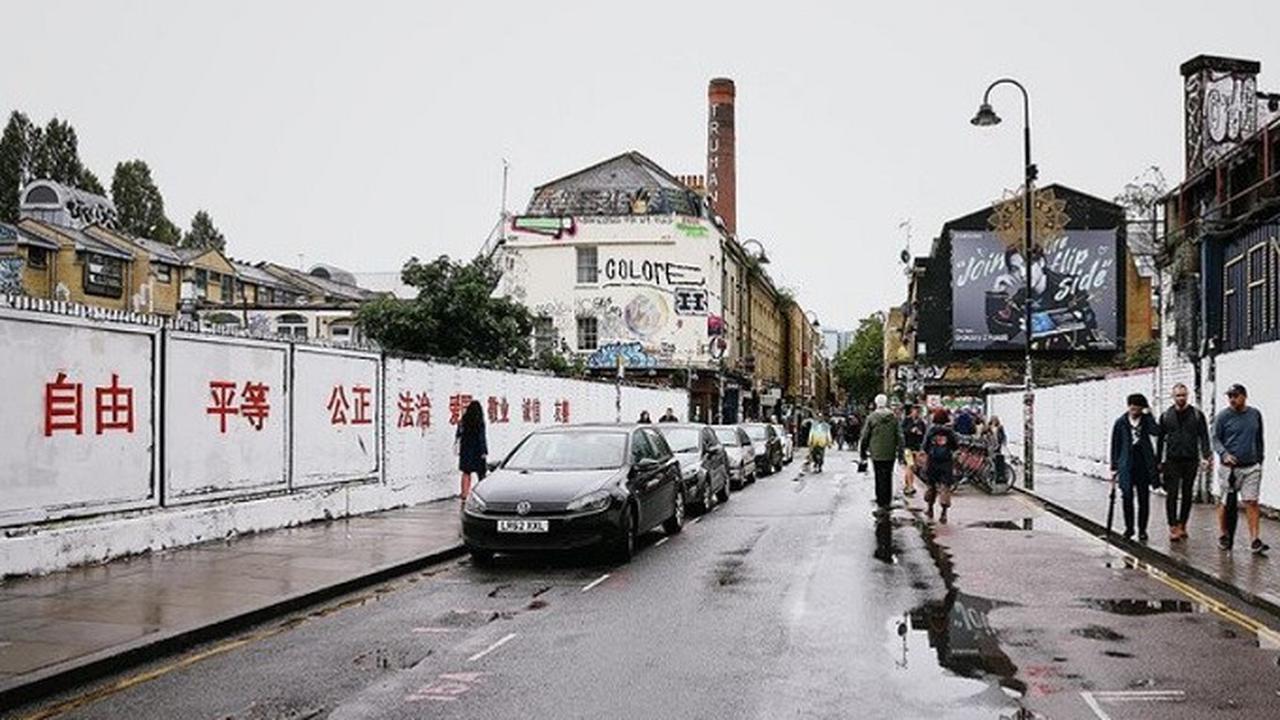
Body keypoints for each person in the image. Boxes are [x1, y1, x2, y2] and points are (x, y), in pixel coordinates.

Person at [1212, 384, 1269, 554]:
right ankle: (1224, 534)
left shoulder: (1255, 414)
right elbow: (1215, 439)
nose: (1232, 399)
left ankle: (1255, 540)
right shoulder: (1223, 416)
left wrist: (1260, 458)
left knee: (1251, 501)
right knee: (1226, 503)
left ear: (1244, 396)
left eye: (1235, 396)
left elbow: (1259, 437)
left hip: (1251, 467)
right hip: (1229, 468)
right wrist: (1224, 454)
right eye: (1230, 396)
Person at [1156, 383, 1212, 542]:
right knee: (1172, 494)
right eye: (1178, 395)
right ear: (1173, 397)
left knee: (1187, 494)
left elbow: (1204, 436)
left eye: (1183, 395)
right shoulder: (1166, 416)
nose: (1181, 398)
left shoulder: (1197, 415)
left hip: (1191, 459)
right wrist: (1158, 461)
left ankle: (1183, 524)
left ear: (1187, 395)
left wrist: (1206, 455)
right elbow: (1160, 440)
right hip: (1172, 460)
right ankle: (1172, 526)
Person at [1109, 393, 1160, 542]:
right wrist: (1114, 467)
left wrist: (1149, 414)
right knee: (1127, 497)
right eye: (1131, 407)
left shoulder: (1146, 420)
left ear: (1141, 408)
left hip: (1143, 463)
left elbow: (1156, 431)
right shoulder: (1120, 422)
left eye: (1137, 408)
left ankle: (1142, 530)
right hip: (1126, 464)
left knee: (1144, 499)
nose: (1134, 410)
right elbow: (1115, 445)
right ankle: (1129, 528)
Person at [860, 394, 905, 512]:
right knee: (888, 475)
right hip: (890, 452)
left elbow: (865, 436)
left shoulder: (871, 418)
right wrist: (901, 453)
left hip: (876, 453)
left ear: (876, 403)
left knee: (879, 476)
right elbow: (900, 436)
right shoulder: (893, 418)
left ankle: (881, 500)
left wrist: (863, 452)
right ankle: (887, 500)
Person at [922, 408, 959, 523]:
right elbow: (955, 446)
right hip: (946, 462)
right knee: (945, 487)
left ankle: (930, 508)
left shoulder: (931, 430)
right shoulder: (949, 431)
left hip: (933, 461)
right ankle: (943, 513)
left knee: (931, 486)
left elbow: (925, 446)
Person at [456, 400, 487, 503]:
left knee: (466, 472)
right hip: (477, 450)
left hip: (465, 450)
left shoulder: (463, 421)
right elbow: (481, 438)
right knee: (481, 474)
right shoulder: (479, 422)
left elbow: (458, 435)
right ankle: (482, 494)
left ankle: (464, 494)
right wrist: (484, 451)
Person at [900, 405, 926, 497]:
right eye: (915, 411)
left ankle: (907, 485)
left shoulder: (921, 422)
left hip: (917, 447)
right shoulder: (906, 420)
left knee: (913, 467)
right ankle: (911, 486)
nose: (917, 413)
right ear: (912, 411)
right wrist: (911, 430)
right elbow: (902, 431)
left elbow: (924, 434)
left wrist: (920, 433)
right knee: (909, 465)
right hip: (908, 447)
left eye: (919, 412)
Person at [987, 416, 1009, 483]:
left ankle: (997, 472)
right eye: (993, 420)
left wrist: (1003, 442)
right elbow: (985, 434)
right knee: (991, 457)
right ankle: (992, 470)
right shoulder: (988, 427)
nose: (994, 421)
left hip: (997, 444)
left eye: (995, 420)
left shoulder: (1000, 427)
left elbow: (1003, 435)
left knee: (997, 457)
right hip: (990, 444)